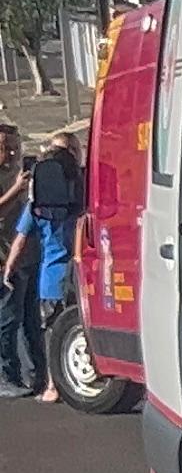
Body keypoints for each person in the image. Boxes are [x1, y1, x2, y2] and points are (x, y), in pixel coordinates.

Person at [21, 128, 84, 404]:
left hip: (54, 276)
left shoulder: (42, 203)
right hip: (77, 272)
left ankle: (53, 385)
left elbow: (22, 236)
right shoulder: (79, 192)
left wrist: (10, 267)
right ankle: (60, 383)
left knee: (53, 332)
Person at [0, 125, 33, 397]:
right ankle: (5, 377)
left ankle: (30, 373)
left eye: (14, 146)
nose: (10, 153)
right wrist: (15, 191)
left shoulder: (18, 174)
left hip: (24, 256)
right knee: (6, 318)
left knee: (27, 320)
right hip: (3, 259)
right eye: (3, 147)